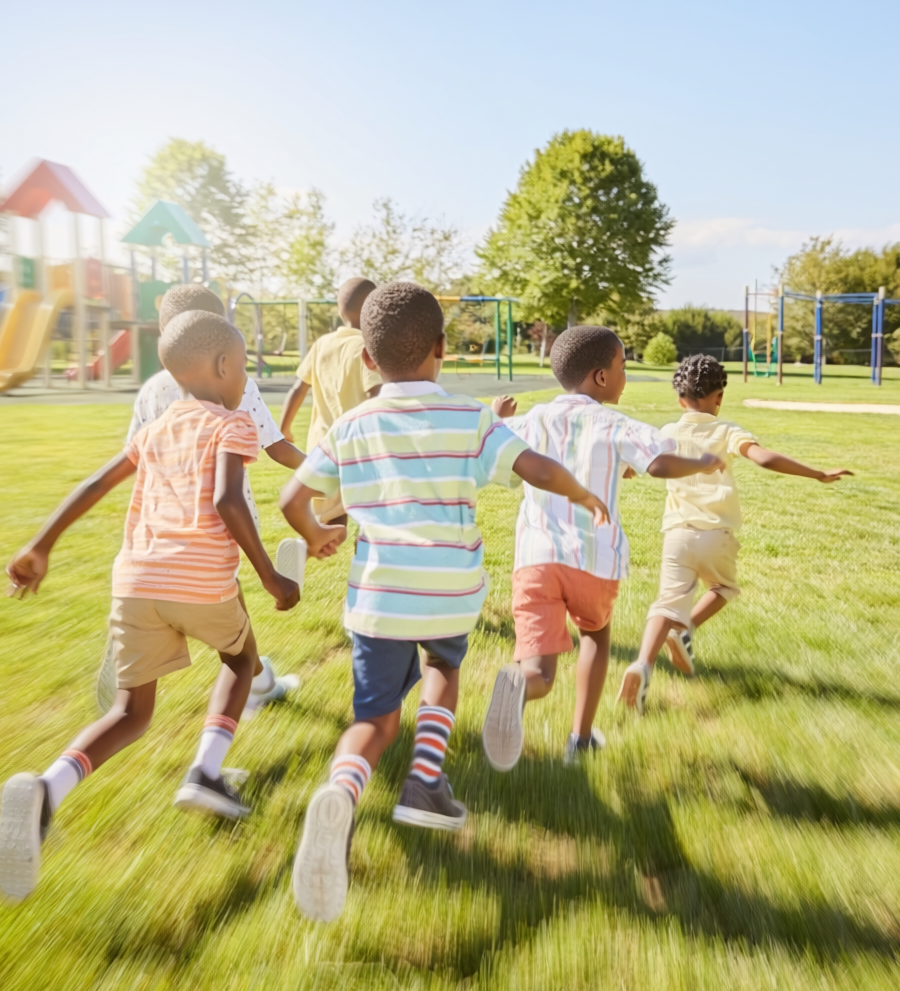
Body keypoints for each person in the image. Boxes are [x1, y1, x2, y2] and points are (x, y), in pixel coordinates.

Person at [278, 282, 610, 922]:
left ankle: (343, 793)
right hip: (449, 593)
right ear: (440, 350)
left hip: (378, 598)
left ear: (367, 361)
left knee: (373, 720)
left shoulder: (350, 424)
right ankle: (426, 783)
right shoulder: (470, 417)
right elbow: (535, 467)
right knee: (443, 671)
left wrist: (315, 534)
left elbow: (292, 498)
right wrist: (581, 493)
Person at [0, 311, 312, 903]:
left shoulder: (157, 427)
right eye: (243, 367)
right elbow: (227, 500)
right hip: (201, 584)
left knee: (132, 712)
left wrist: (41, 545)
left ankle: (47, 789)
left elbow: (95, 484)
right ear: (221, 367)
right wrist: (271, 576)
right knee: (241, 663)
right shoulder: (233, 423)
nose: (246, 379)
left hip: (134, 582)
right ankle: (206, 771)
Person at [483, 327, 722, 770]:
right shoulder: (613, 423)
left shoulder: (532, 420)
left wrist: (496, 418)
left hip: (536, 560)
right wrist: (702, 462)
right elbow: (657, 462)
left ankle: (520, 682)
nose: (624, 375)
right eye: (623, 367)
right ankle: (580, 739)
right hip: (593, 561)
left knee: (540, 668)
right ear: (599, 378)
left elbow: (496, 452)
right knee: (595, 635)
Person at [619, 353, 852, 712]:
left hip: (677, 535)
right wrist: (817, 473)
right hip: (717, 536)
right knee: (723, 588)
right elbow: (763, 457)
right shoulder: (727, 430)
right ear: (720, 396)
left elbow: (638, 466)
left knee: (666, 602)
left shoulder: (667, 432)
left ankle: (642, 664)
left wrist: (627, 471)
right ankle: (684, 630)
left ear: (680, 399)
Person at [114, 283, 305, 714]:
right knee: (220, 605)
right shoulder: (233, 378)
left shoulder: (151, 389)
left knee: (194, 599)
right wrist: (325, 470)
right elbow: (275, 446)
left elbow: (135, 459)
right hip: (223, 519)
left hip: (164, 525)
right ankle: (252, 685)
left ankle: (252, 678)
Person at [278, 277, 382, 526]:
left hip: (322, 448)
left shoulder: (322, 344)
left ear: (339, 309)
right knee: (372, 515)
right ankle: (367, 551)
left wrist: (284, 427)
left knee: (331, 521)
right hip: (357, 449)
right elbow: (376, 395)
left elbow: (298, 388)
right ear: (374, 310)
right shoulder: (366, 347)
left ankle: (307, 549)